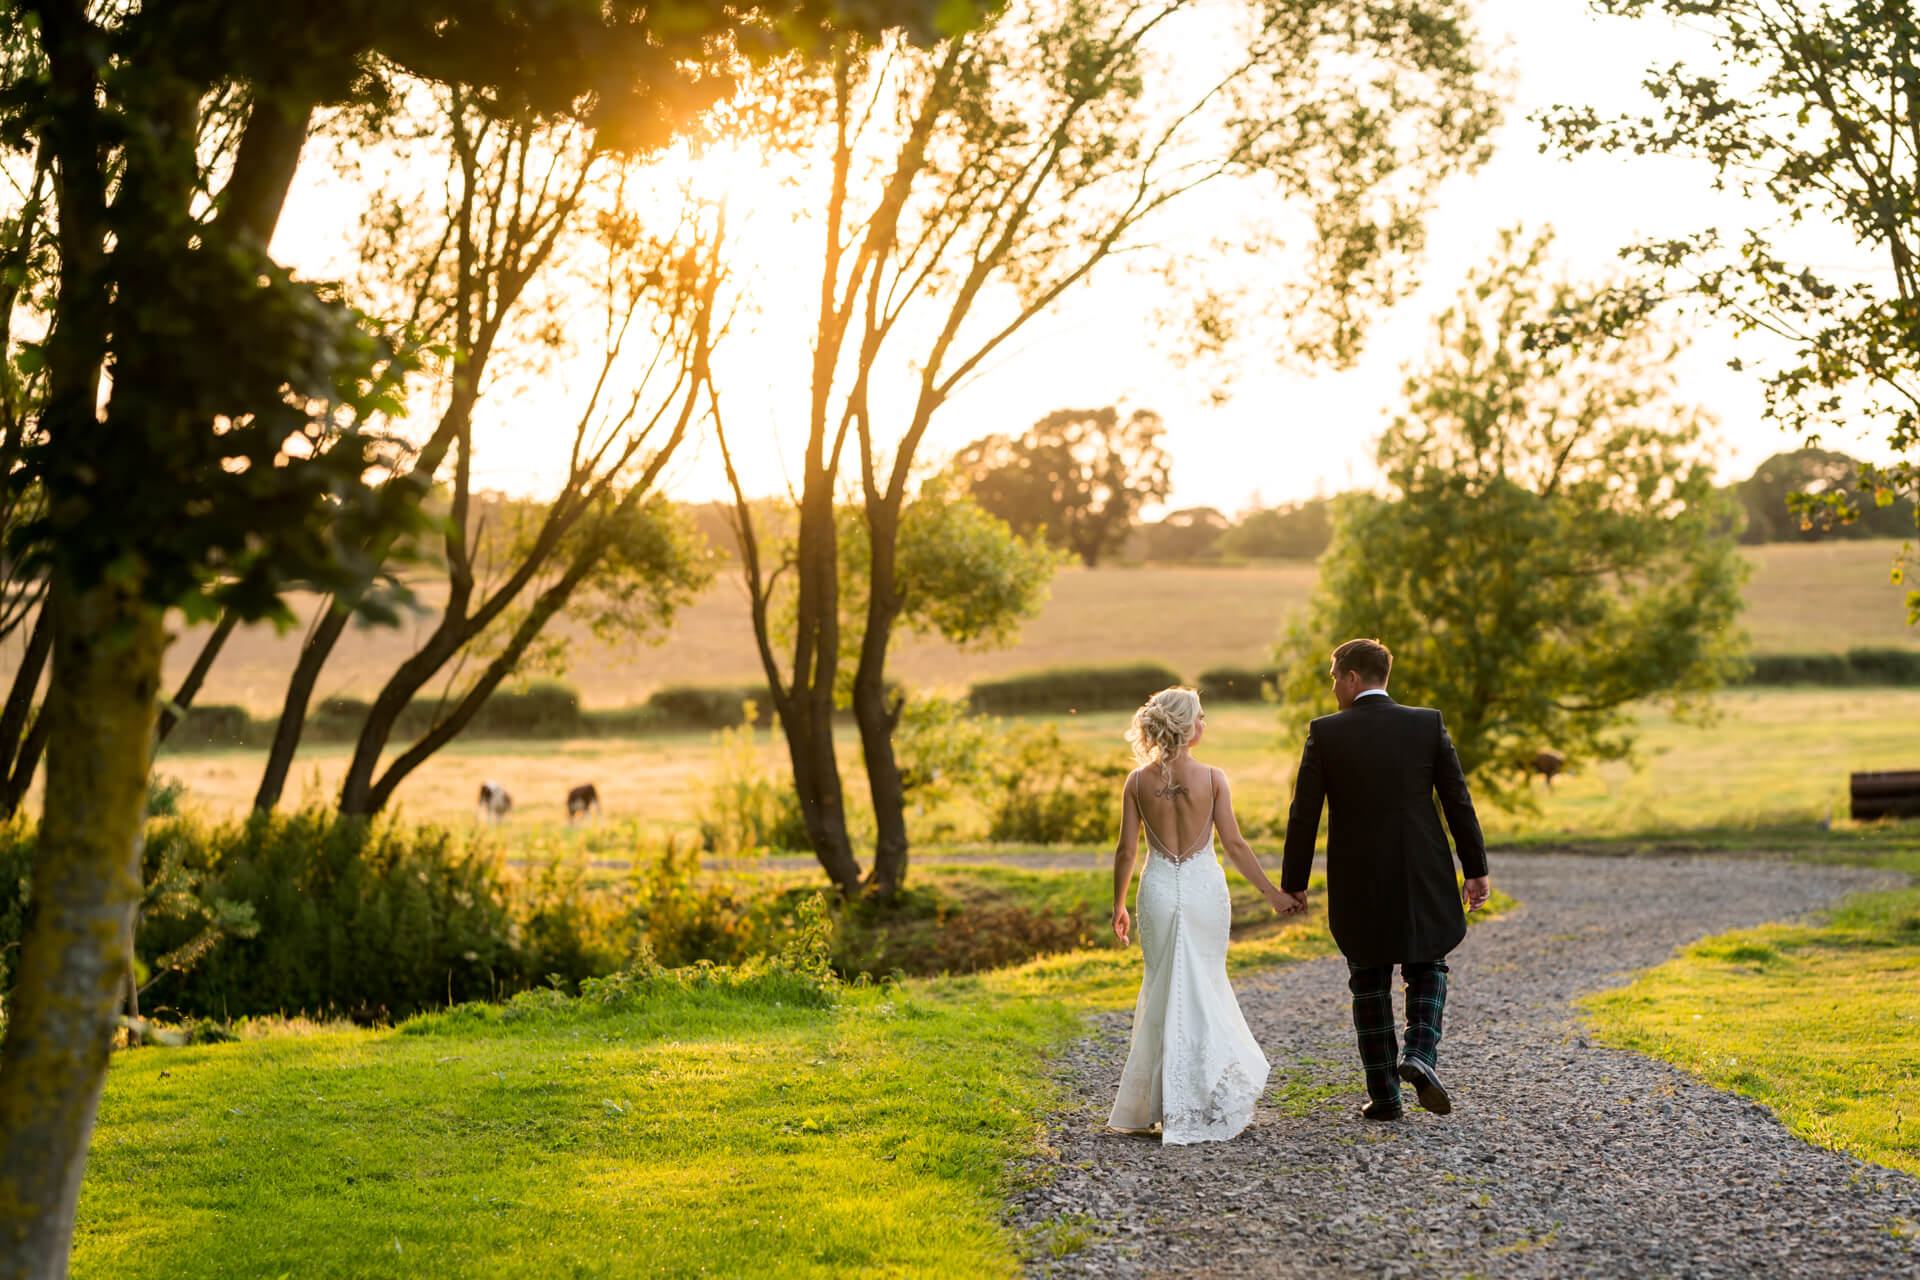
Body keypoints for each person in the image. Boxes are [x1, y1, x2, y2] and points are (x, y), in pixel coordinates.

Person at [1279, 637, 1490, 1121]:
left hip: (1358, 873)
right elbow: (1458, 800)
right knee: (1428, 962)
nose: (1333, 687)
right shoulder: (1426, 723)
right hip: (1423, 865)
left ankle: (1386, 1097)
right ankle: (1419, 1054)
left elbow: (1304, 814)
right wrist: (1475, 869)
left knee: (1368, 979)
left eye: (1335, 677)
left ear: (1353, 677)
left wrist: (1295, 881)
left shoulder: (1326, 733)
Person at [1108, 686, 1297, 1143]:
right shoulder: (1213, 778)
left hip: (1155, 891)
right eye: (1201, 716)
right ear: (1187, 727)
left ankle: (1159, 1102)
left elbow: (1127, 850)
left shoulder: (1136, 783)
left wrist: (1117, 904)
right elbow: (1234, 844)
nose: (1205, 723)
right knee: (1204, 985)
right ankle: (1204, 1097)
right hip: (1203, 891)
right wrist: (1272, 893)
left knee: (1163, 990)